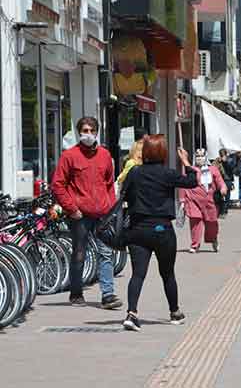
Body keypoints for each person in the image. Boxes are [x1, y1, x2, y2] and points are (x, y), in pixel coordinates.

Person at [120, 135, 199, 331]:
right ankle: (174, 312)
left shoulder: (135, 173)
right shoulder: (167, 173)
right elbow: (192, 182)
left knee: (137, 274)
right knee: (167, 273)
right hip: (162, 229)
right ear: (163, 153)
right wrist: (186, 162)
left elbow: (124, 194)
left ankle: (131, 313)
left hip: (138, 229)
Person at [51, 116, 122, 309]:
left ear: (97, 133)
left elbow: (109, 183)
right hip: (79, 216)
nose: (88, 134)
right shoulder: (69, 156)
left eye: (91, 130)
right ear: (78, 132)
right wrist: (71, 208)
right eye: (84, 130)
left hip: (102, 215)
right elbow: (58, 185)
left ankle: (108, 295)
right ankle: (76, 293)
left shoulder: (105, 156)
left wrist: (111, 208)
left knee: (106, 253)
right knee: (79, 254)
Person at [179, 149, 228, 253]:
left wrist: (223, 188)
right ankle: (195, 245)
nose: (199, 158)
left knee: (211, 223)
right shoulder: (190, 169)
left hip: (209, 201)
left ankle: (213, 239)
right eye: (197, 156)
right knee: (195, 221)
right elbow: (183, 184)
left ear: (205, 157)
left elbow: (220, 182)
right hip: (193, 200)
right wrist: (182, 201)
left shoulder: (213, 169)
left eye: (201, 156)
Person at [218, 149, 235, 216]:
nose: (222, 156)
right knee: (220, 195)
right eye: (221, 155)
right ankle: (221, 210)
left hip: (227, 180)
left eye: (223, 155)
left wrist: (225, 162)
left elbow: (231, 169)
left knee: (227, 196)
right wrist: (219, 161)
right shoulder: (218, 160)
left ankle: (225, 210)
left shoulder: (230, 160)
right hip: (220, 180)